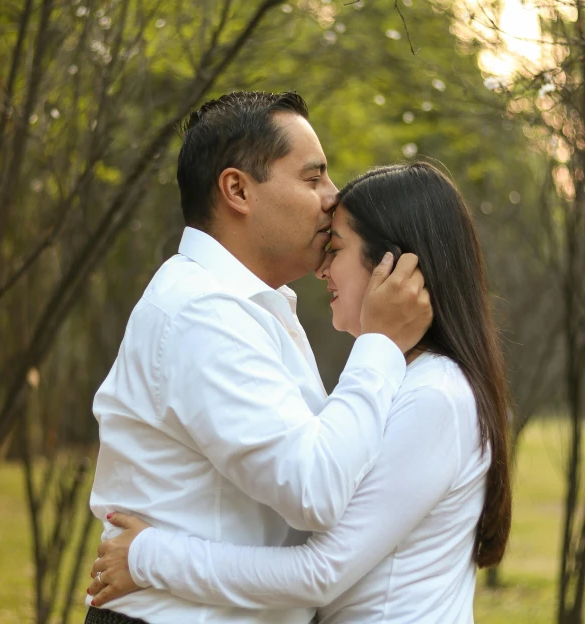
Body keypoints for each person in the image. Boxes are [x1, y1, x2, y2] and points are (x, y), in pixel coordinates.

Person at [88, 163, 512, 623]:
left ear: (396, 266)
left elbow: (320, 569)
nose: (322, 268)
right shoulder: (400, 381)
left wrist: (150, 557)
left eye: (337, 248)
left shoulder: (436, 395)